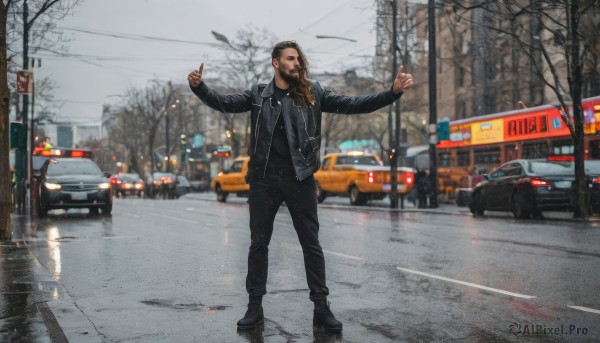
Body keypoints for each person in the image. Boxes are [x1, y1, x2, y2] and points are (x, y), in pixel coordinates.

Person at [188, 40, 413, 332]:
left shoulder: (313, 93)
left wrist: (392, 93)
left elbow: (353, 104)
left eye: (298, 59)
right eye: (291, 59)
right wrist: (200, 87)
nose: (297, 63)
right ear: (276, 62)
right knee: (259, 245)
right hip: (264, 179)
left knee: (311, 244)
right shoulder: (258, 94)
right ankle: (254, 308)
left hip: (300, 177)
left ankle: (321, 308)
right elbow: (225, 103)